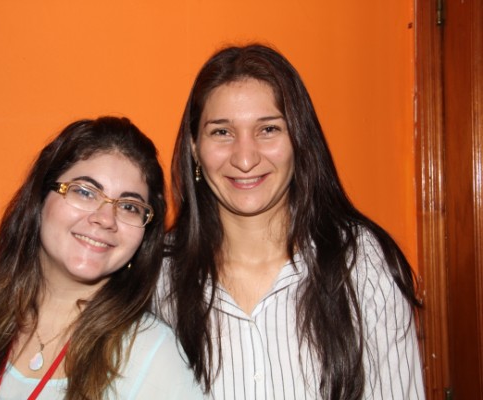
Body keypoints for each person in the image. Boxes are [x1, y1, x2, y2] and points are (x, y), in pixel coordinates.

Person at [156, 44, 425, 399]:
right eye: (222, 132)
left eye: (268, 129)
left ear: (299, 139)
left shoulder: (362, 263)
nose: (245, 158)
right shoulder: (159, 276)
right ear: (194, 147)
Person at [0, 117, 203, 400]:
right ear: (40, 199)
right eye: (84, 192)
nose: (106, 218)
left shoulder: (152, 356)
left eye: (129, 207)